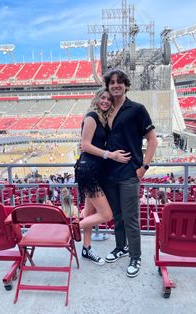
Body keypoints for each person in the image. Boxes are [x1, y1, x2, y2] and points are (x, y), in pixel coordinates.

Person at [103, 68, 158, 277]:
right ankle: (121, 247)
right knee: (117, 216)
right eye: (112, 82)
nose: (115, 85)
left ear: (126, 85)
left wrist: (144, 166)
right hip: (110, 174)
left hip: (129, 173)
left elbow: (152, 139)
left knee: (131, 218)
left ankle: (136, 256)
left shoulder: (137, 109)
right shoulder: (105, 110)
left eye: (120, 82)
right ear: (108, 86)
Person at [75, 87, 131, 266]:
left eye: (109, 99)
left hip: (96, 170)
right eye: (103, 98)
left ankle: (86, 249)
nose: (106, 101)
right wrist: (110, 154)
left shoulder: (101, 119)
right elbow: (85, 145)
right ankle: (71, 229)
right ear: (97, 98)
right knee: (107, 215)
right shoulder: (91, 116)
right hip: (88, 170)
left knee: (90, 213)